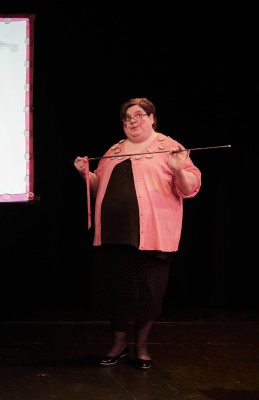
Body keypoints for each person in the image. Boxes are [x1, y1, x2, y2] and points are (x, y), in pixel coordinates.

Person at [73, 98, 202, 370]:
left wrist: (179, 169)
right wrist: (86, 174)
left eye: (139, 115)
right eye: (127, 118)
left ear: (152, 118)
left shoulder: (169, 146)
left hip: (152, 236)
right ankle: (119, 345)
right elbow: (98, 187)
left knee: (148, 294)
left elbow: (189, 188)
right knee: (115, 294)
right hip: (113, 235)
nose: (132, 121)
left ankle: (141, 347)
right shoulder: (114, 150)